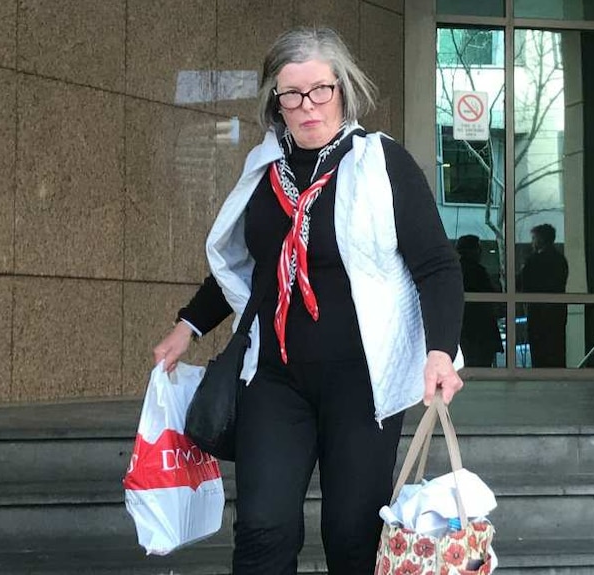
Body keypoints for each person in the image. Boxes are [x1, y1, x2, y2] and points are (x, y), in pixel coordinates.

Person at [152, 27, 465, 575]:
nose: (306, 106)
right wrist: (190, 326)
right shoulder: (264, 170)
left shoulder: (380, 165)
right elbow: (252, 264)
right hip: (275, 378)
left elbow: (437, 265)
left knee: (351, 535)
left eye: (319, 90)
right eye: (290, 94)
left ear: (342, 89)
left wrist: (440, 350)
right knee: (262, 529)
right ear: (276, 102)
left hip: (362, 382)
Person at [517, 223, 569, 367]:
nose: (532, 242)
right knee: (556, 351)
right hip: (557, 313)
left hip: (538, 313)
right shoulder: (560, 260)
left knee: (540, 353)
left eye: (533, 238)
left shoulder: (534, 261)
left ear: (541, 240)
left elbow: (522, 284)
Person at [456, 235, 503, 367]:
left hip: (465, 329)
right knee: (481, 364)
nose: (480, 252)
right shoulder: (477, 271)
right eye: (478, 248)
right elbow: (489, 294)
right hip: (479, 330)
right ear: (472, 250)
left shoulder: (456, 270)